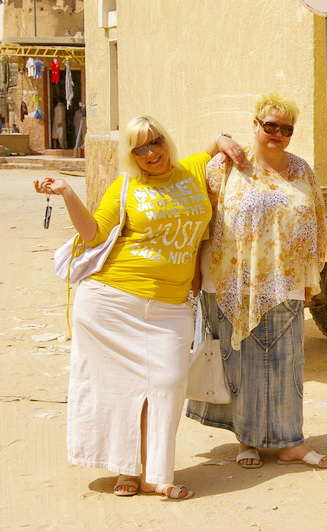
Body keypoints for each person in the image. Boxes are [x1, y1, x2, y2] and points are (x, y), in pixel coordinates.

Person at [33, 116, 245, 499]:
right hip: (113, 301)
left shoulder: (192, 169)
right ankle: (128, 470)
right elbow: (93, 234)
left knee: (168, 383)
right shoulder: (126, 186)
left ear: (166, 140)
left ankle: (154, 472)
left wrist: (223, 137)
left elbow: (215, 144)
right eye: (140, 148)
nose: (151, 153)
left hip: (171, 306)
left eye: (155, 142)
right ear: (132, 155)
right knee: (120, 389)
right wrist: (66, 192)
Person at [186, 93, 327, 470]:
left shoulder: (301, 170)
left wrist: (310, 276)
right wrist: (218, 139)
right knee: (240, 366)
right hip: (229, 280)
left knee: (286, 364)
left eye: (286, 129)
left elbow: (316, 221)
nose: (277, 134)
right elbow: (199, 210)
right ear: (255, 124)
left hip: (285, 281)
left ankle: (290, 442)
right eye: (270, 126)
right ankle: (246, 440)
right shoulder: (226, 166)